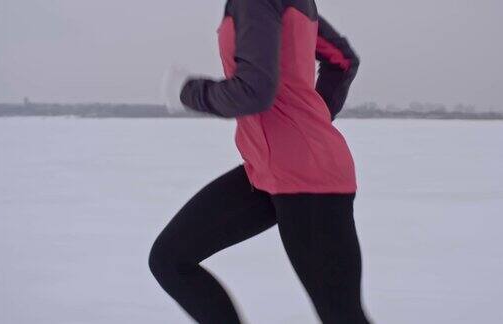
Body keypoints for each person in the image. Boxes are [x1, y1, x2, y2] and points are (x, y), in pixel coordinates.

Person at [149, 0, 373, 323]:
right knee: (171, 260)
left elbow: (253, 91)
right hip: (267, 173)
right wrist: (307, 120)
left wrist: (189, 92)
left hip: (308, 179)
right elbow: (343, 61)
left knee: (342, 315)